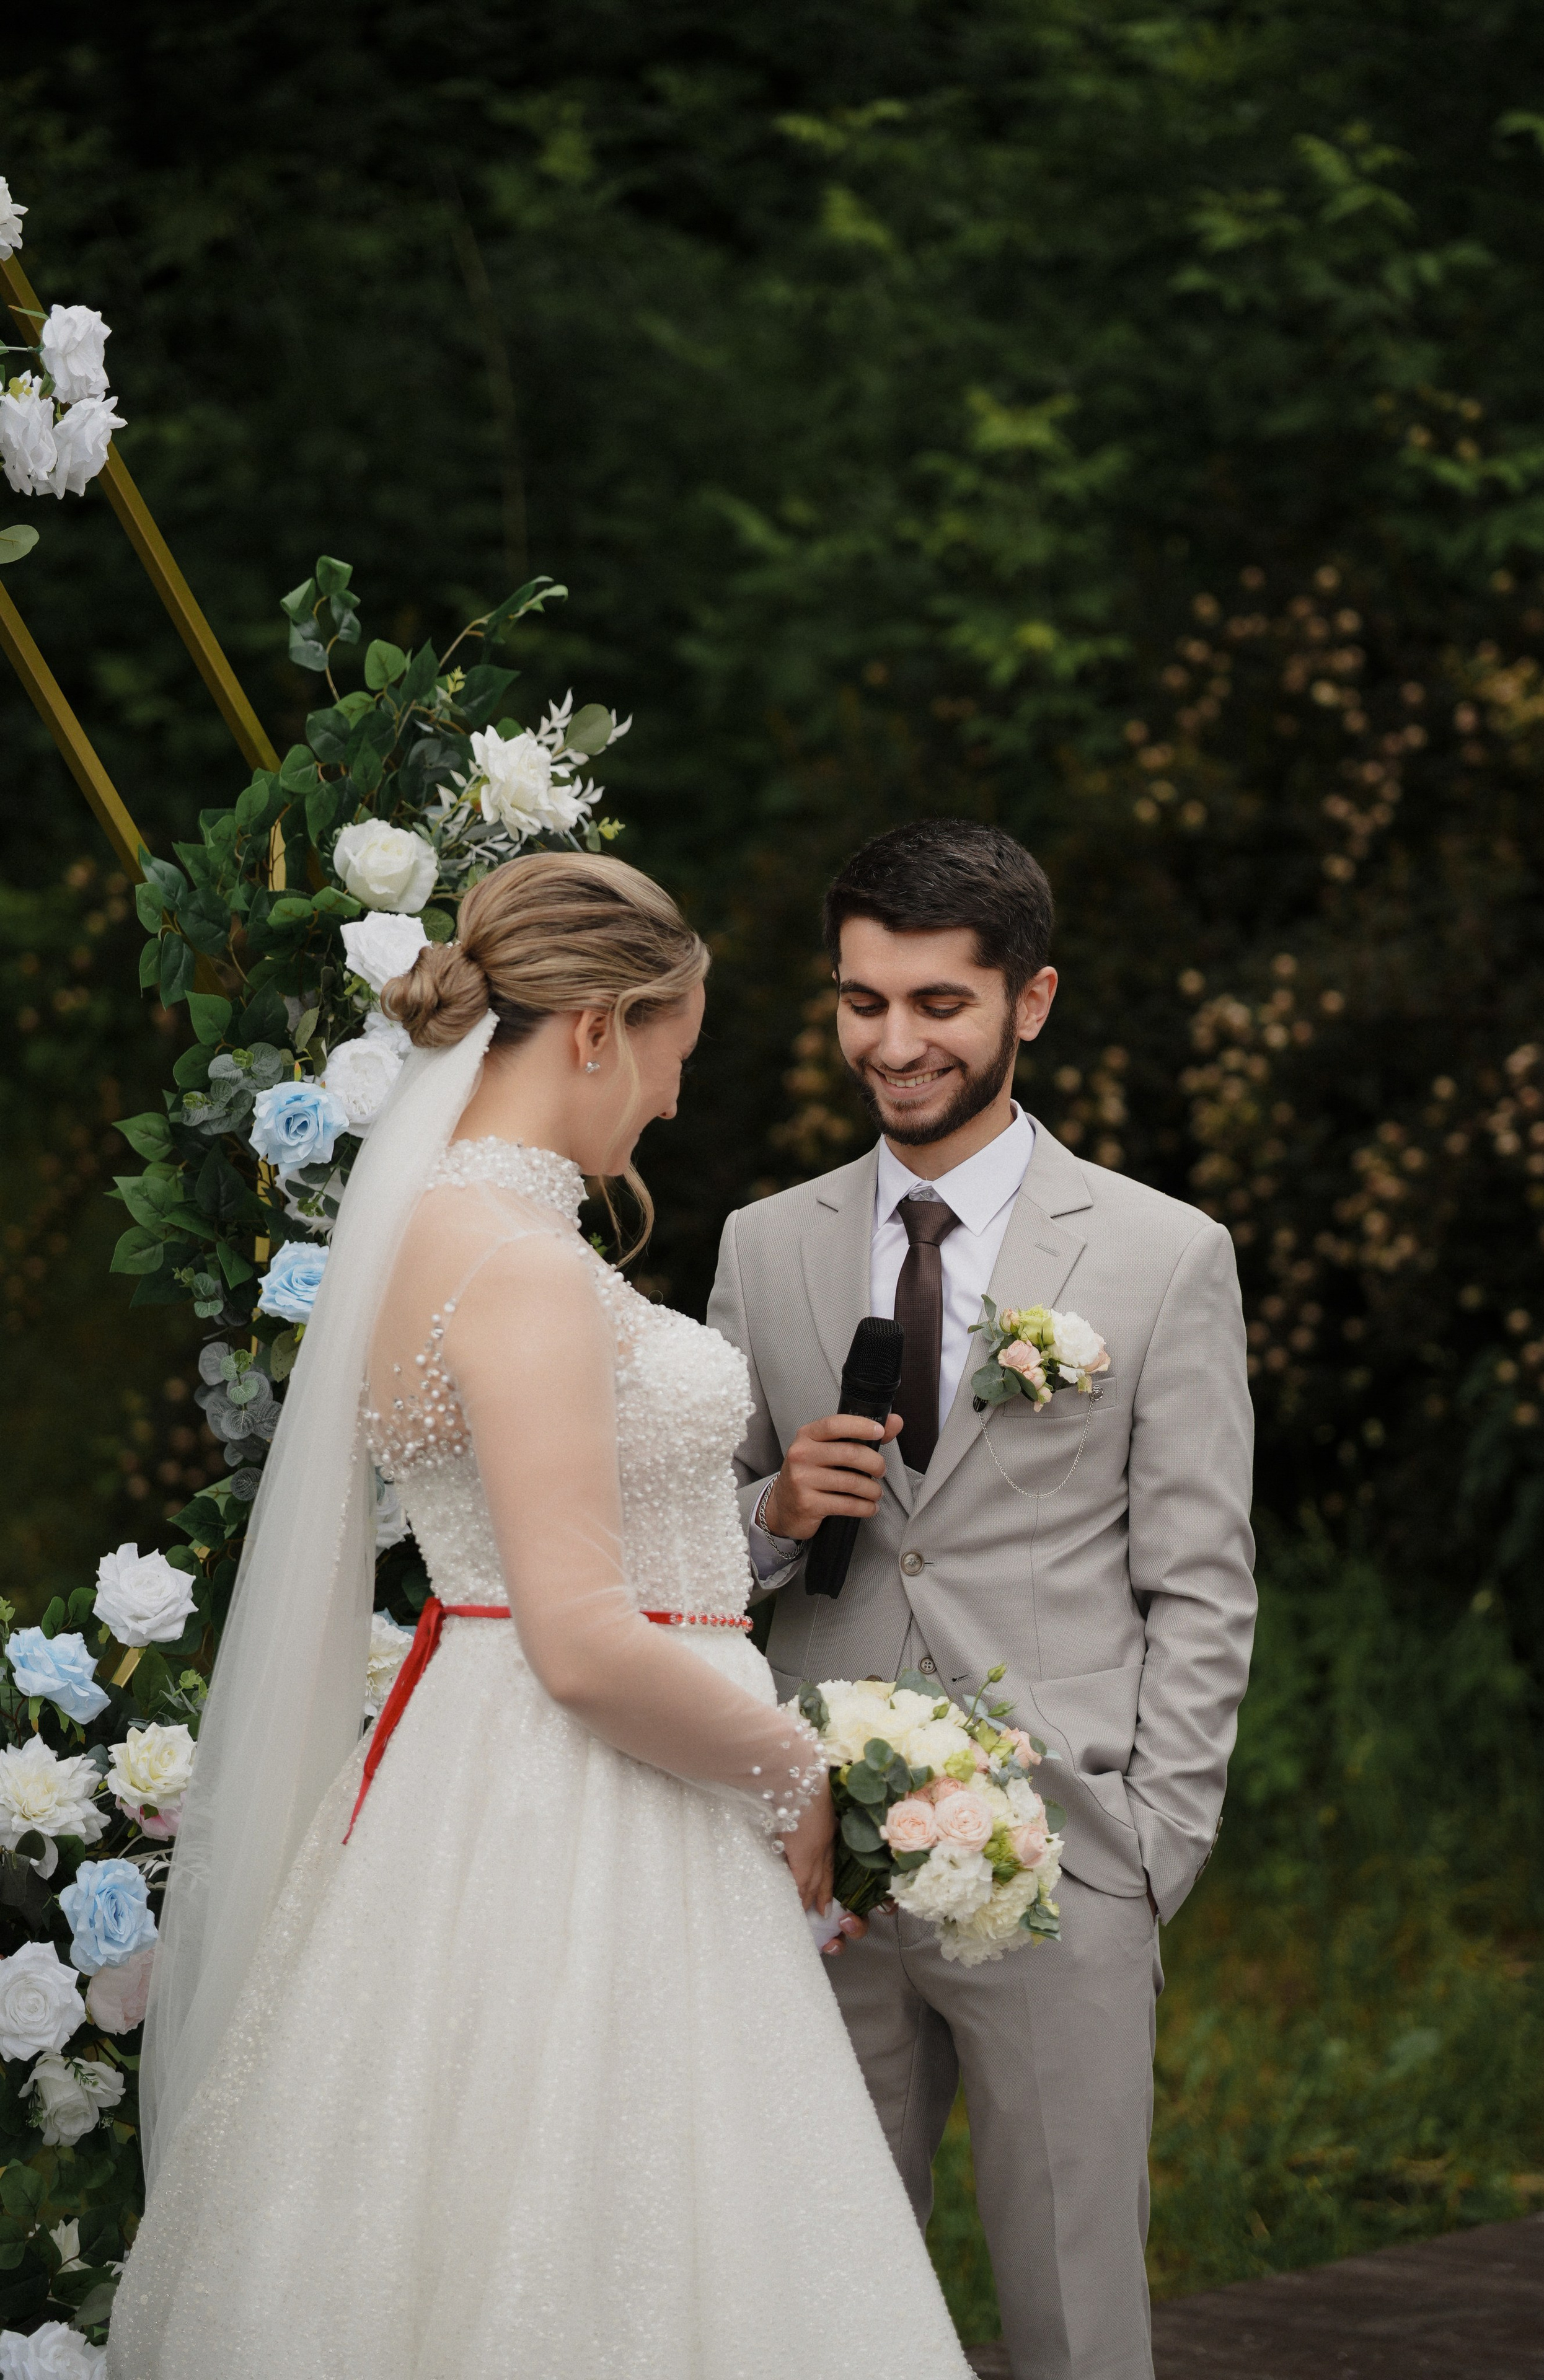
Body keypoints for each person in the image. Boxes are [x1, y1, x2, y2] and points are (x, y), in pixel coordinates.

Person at [110, 852, 971, 2380]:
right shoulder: (517, 1270)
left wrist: (758, 1527)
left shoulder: (461, 1239)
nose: (673, 1103)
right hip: (587, 1810)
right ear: (595, 1031)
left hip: (491, 1778)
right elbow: (576, 1640)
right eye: (674, 1056)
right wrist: (793, 1769)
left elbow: (571, 1561)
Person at [707, 819, 1258, 2380]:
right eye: (860, 1001)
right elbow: (687, 1555)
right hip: (816, 1862)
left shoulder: (1161, 1255)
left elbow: (1201, 1577)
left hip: (1063, 1852)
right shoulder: (765, 1245)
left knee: (1076, 2303)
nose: (892, 1044)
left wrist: (1151, 1846)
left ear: (1031, 1001)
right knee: (815, 2300)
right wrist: (769, 1510)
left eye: (937, 1003)